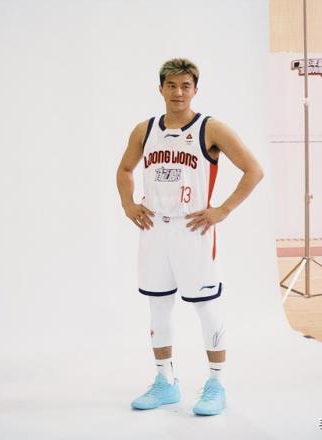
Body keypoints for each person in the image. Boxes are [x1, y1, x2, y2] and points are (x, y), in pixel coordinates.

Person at [116, 58, 264, 416]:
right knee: (158, 306)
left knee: (206, 306)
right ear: (161, 89)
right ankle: (165, 382)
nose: (178, 92)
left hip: (193, 229)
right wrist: (128, 204)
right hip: (154, 228)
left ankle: (216, 384)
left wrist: (223, 209)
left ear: (195, 90)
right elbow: (124, 169)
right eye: (171, 85)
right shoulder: (144, 130)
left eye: (185, 86)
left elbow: (253, 170)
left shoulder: (211, 128)